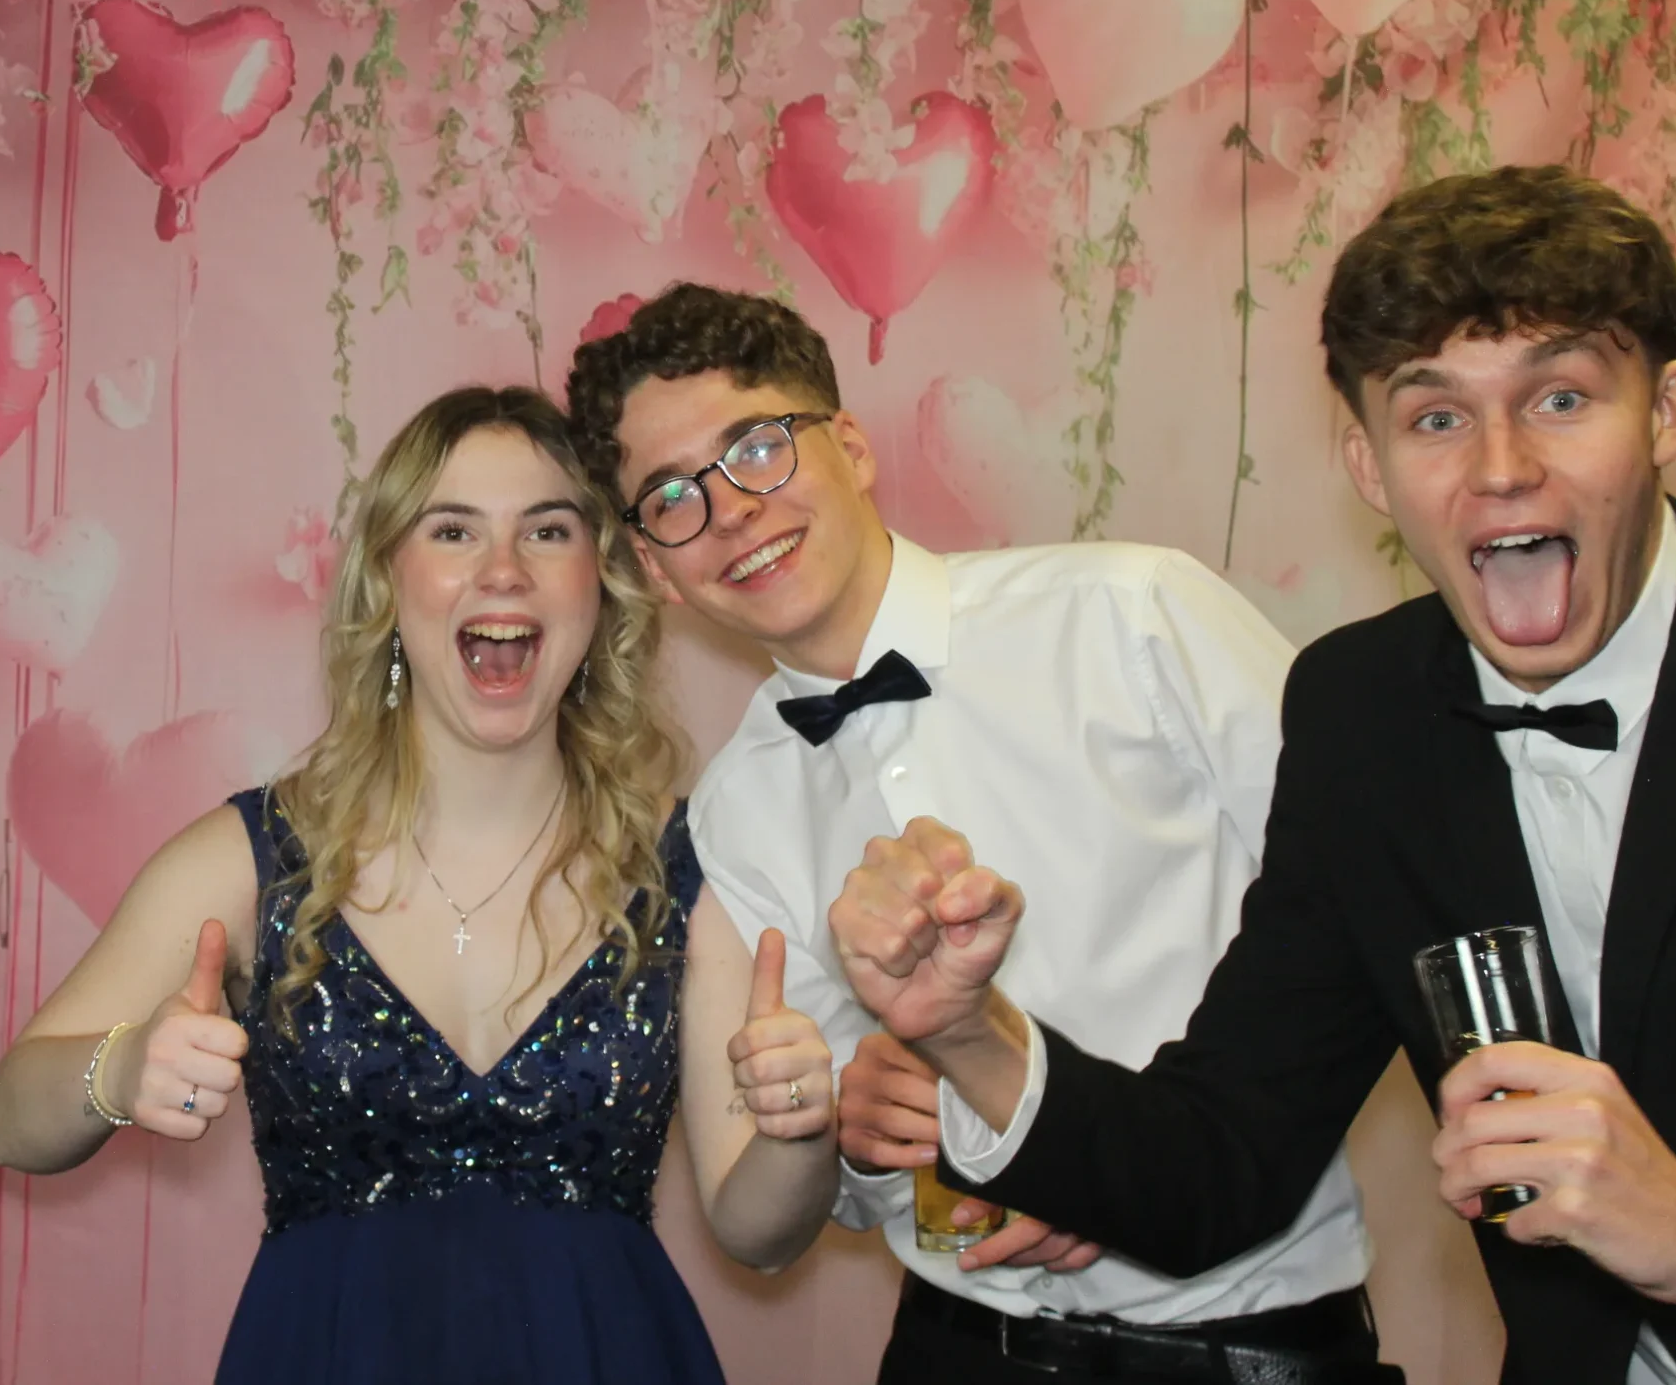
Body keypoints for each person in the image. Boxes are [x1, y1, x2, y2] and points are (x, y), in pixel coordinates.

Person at [830, 165, 1676, 1385]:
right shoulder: (1362, 708)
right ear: (1367, 464)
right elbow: (1224, 1161)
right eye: (1434, 417)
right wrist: (970, 1031)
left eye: (1559, 398)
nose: (1498, 467)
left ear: (1666, 412)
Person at [564, 286, 1391, 1384]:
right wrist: (858, 1132)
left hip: (1248, 1346)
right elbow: (825, 1177)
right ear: (653, 565)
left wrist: (1119, 1162)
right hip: (955, 1349)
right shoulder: (735, 807)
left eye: (758, 448)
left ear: (851, 445)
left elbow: (1370, 904)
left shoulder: (1131, 614)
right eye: (673, 496)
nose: (731, 511)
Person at [0, 384, 842, 1385]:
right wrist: (122, 1068)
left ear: (599, 582)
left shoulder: (688, 867)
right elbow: (9, 1118)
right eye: (453, 531)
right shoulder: (252, 857)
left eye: (548, 530)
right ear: (387, 581)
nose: (504, 569)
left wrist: (800, 1125)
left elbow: (759, 1233)